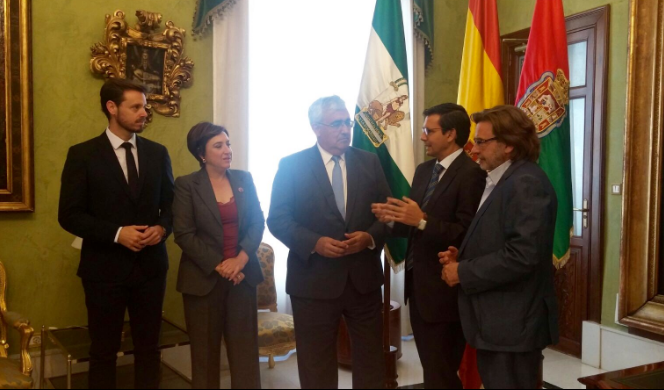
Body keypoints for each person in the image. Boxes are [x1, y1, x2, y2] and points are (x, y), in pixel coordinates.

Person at [267, 96, 391, 389]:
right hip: (313, 282)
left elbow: (388, 214)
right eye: (337, 124)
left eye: (347, 122)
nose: (345, 130)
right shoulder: (292, 165)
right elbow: (278, 219)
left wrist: (370, 237)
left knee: (371, 360)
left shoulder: (369, 162)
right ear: (315, 128)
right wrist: (315, 242)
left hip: (363, 280)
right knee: (316, 364)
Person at [58, 78, 174, 389]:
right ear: (112, 108)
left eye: (145, 107)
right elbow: (69, 215)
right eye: (135, 107)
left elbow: (171, 207)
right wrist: (116, 233)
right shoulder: (82, 155)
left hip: (151, 269)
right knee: (103, 352)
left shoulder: (157, 153)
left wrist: (163, 228)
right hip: (104, 271)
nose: (144, 113)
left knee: (149, 350)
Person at [439, 105, 559, 389]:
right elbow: (501, 238)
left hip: (513, 326)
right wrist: (465, 254)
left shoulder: (526, 183)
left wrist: (464, 272)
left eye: (481, 142)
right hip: (499, 323)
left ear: (508, 145)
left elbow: (522, 256)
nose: (474, 149)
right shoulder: (502, 179)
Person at [372, 103, 486, 389]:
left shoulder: (472, 174)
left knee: (442, 373)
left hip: (446, 293)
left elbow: (468, 233)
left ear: (450, 134)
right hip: (419, 287)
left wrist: (422, 221)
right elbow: (413, 224)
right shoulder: (425, 170)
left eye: (428, 130)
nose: (423, 137)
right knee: (433, 371)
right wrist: (391, 219)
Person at [173, 122, 265, 389]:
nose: (227, 150)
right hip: (202, 283)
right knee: (204, 356)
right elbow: (184, 234)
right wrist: (220, 266)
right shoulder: (186, 185)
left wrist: (240, 261)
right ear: (202, 153)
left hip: (243, 279)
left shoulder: (244, 179)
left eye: (228, 143)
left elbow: (257, 222)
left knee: (245, 354)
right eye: (219, 145)